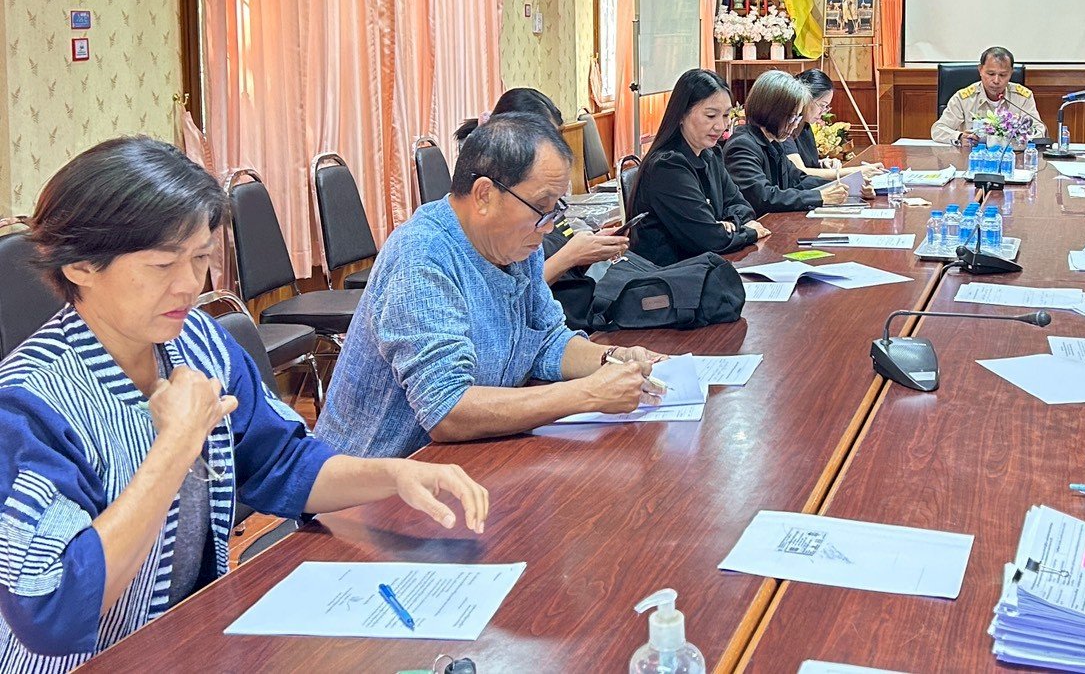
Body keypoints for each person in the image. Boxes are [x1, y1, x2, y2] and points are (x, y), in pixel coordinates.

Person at [0, 137, 488, 669]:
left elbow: (281, 462)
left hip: (184, 640)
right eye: (163, 265)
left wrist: (392, 476)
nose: (190, 285)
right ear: (81, 266)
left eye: (201, 258)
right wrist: (177, 444)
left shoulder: (199, 344)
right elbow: (54, 609)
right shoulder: (29, 402)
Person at [315, 113, 667, 458]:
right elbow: (447, 411)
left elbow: (545, 341)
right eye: (541, 208)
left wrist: (612, 360)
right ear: (485, 195)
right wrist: (588, 395)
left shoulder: (516, 243)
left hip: (463, 464)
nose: (549, 227)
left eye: (555, 210)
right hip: (375, 485)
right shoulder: (423, 256)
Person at [455, 89, 630, 284]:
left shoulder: (529, 225)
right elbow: (521, 289)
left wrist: (589, 247)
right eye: (540, 207)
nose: (547, 227)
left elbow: (537, 302)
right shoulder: (504, 232)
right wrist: (571, 255)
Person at [627, 69, 771, 266]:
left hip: (705, 267)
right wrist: (748, 232)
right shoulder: (667, 166)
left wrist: (727, 224)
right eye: (711, 116)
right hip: (666, 279)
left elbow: (742, 207)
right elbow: (709, 239)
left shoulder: (710, 154)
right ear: (681, 115)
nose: (721, 126)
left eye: (726, 115)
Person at [723, 71, 850, 214]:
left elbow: (798, 179)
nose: (796, 125)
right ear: (771, 111)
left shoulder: (774, 142)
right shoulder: (742, 145)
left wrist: (845, 187)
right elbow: (763, 197)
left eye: (798, 118)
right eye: (791, 117)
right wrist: (819, 196)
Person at [931, 46, 1045, 145]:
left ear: (1011, 73)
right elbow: (938, 130)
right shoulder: (964, 98)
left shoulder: (1023, 97)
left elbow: (1039, 130)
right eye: (991, 74)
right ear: (980, 70)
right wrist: (959, 137)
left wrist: (1016, 137)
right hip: (972, 158)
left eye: (1003, 75)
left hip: (1011, 157)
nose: (996, 80)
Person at [784, 69, 884, 182]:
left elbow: (805, 164)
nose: (823, 112)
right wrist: (856, 172)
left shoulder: (805, 126)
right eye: (822, 105)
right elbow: (800, 172)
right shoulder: (786, 128)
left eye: (826, 107)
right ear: (806, 99)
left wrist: (822, 164)